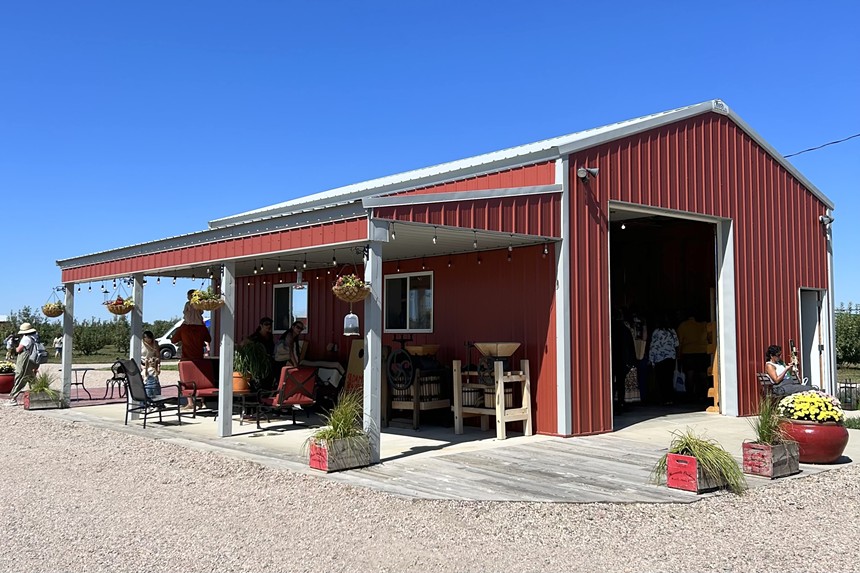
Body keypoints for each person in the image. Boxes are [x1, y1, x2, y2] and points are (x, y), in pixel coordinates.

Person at [2, 323, 40, 407]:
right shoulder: (34, 337)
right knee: (31, 377)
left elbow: (19, 350)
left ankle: (13, 398)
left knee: (20, 376)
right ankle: (39, 394)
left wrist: (13, 347)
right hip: (31, 359)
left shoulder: (26, 338)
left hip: (24, 358)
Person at [171, 289, 211, 360]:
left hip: (186, 358)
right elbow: (208, 339)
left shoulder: (183, 328)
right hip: (199, 357)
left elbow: (173, 340)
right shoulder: (202, 328)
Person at [648, 316, 679, 405]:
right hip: (670, 358)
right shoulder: (672, 331)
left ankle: (664, 398)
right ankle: (670, 398)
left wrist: (651, 359)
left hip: (659, 358)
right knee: (669, 378)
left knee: (661, 379)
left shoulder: (656, 332)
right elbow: (677, 344)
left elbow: (653, 346)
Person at [243, 317, 276, 390]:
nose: (268, 326)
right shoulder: (255, 336)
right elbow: (244, 343)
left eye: (270, 324)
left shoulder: (270, 335)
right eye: (266, 324)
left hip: (268, 360)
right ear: (261, 325)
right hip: (258, 362)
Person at [142, 330, 161, 399]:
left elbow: (158, 355)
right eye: (147, 340)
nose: (149, 342)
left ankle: (157, 398)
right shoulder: (140, 344)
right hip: (143, 364)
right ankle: (146, 399)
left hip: (152, 364)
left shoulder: (155, 344)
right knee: (145, 381)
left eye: (150, 340)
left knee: (155, 380)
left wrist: (157, 362)